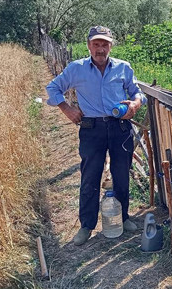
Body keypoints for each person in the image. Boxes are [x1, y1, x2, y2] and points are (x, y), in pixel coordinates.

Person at [46, 26, 146, 245]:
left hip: (120, 126)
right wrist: (67, 108)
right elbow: (53, 88)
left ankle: (124, 217)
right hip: (91, 127)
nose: (100, 49)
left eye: (105, 44)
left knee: (121, 174)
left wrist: (136, 103)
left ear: (111, 46)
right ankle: (86, 225)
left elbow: (137, 91)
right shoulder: (77, 69)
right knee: (90, 176)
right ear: (88, 45)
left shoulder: (123, 67)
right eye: (96, 44)